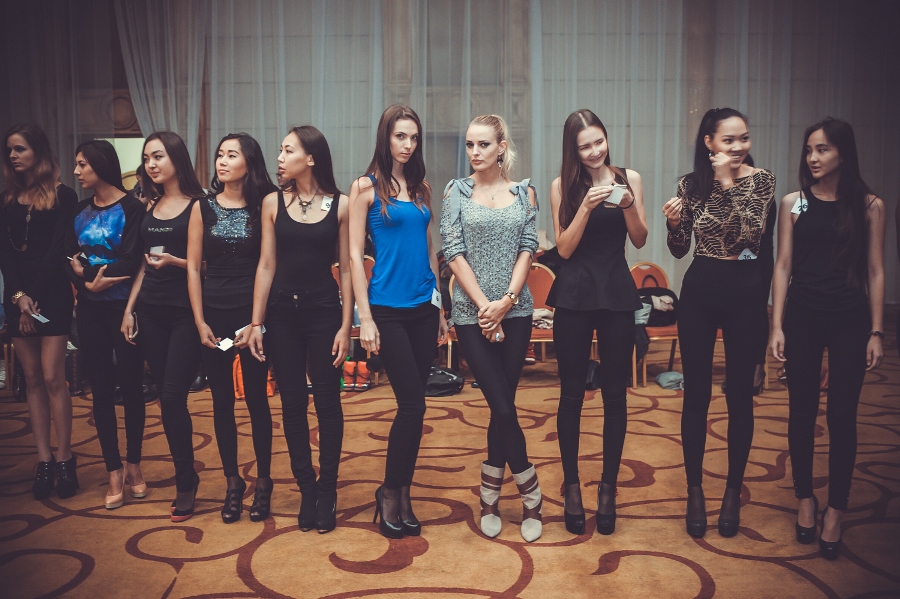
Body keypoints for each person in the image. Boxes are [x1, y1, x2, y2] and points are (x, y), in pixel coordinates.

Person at [769, 117, 885, 560]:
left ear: (843, 153)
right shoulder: (795, 203)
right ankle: (805, 499)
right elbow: (783, 265)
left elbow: (875, 270)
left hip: (850, 319)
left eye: (823, 149)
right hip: (802, 315)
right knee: (801, 412)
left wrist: (877, 330)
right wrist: (776, 325)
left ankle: (836, 508)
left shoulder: (870, 205)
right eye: (809, 150)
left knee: (841, 416)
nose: (813, 158)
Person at [663, 108, 775, 538]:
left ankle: (731, 492)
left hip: (745, 290)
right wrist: (675, 224)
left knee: (739, 396)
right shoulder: (690, 185)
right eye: (729, 140)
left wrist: (727, 182)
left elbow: (750, 237)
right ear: (709, 142)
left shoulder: (761, 181)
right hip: (701, 290)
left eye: (743, 138)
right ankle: (695, 490)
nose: (738, 146)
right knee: (697, 394)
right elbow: (680, 249)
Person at [441, 114, 542, 542]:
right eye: (470, 144)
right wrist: (485, 306)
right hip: (472, 314)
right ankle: (531, 493)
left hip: (516, 313)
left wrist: (506, 302)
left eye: (483, 144)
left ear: (502, 147)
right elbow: (453, 251)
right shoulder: (456, 192)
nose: (475, 152)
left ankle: (489, 498)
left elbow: (528, 248)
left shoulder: (525, 192)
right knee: (501, 407)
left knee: (505, 405)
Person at [348, 104, 448, 539]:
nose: (408, 145)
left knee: (416, 403)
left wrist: (439, 308)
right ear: (385, 137)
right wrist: (365, 317)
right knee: (412, 405)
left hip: (423, 308)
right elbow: (354, 256)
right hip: (387, 309)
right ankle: (389, 491)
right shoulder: (365, 188)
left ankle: (403, 493)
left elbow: (429, 250)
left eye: (413, 137)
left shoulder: (422, 188)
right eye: (400, 136)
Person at [246, 126, 352, 533]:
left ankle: (328, 490)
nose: (279, 157)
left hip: (324, 311)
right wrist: (256, 322)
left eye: (287, 150)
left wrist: (346, 325)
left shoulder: (340, 204)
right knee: (291, 403)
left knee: (327, 401)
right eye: (280, 150)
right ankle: (307, 488)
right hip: (282, 315)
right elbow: (266, 265)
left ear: (310, 158)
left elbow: (346, 268)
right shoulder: (272, 202)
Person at [547, 110, 648, 536]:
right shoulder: (562, 186)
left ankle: (608, 489)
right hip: (574, 293)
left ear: (607, 138)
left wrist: (627, 203)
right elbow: (564, 249)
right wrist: (586, 207)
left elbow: (640, 238)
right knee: (571, 395)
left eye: (598, 142)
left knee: (615, 396)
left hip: (616, 292)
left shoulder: (629, 178)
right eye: (584, 146)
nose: (593, 152)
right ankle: (572, 486)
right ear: (573, 149)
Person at [187, 133, 277, 524]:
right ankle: (232, 483)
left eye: (231, 155)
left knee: (256, 397)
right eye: (220, 155)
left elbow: (270, 265)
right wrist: (200, 321)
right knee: (221, 398)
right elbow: (193, 268)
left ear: (249, 163)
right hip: (216, 322)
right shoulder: (202, 207)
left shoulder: (265, 205)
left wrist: (257, 322)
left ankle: (265, 482)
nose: (222, 161)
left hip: (252, 320)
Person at [121, 131, 204, 522]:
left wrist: (174, 262)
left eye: (158, 157)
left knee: (172, 398)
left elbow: (207, 265)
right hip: (151, 311)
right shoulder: (149, 206)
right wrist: (129, 309)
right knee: (164, 397)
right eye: (146, 158)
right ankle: (186, 475)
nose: (151, 164)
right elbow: (142, 264)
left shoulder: (199, 205)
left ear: (176, 159)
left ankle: (185, 481)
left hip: (185, 312)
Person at [0, 123, 79, 500]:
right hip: (17, 298)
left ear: (38, 152)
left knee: (52, 377)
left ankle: (65, 458)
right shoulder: (6, 199)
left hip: (52, 295)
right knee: (30, 378)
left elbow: (58, 251)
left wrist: (31, 297)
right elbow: (5, 254)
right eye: (10, 150)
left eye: (20, 149)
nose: (13, 155)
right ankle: (44, 459)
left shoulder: (64, 195)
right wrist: (18, 297)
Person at [66, 140, 146, 509]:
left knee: (132, 388)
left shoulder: (132, 208)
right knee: (99, 390)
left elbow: (131, 261)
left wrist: (90, 275)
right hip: (90, 311)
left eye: (83, 164)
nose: (77, 171)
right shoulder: (79, 211)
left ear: (100, 164)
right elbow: (68, 259)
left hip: (125, 310)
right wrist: (86, 284)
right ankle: (113, 469)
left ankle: (134, 465)